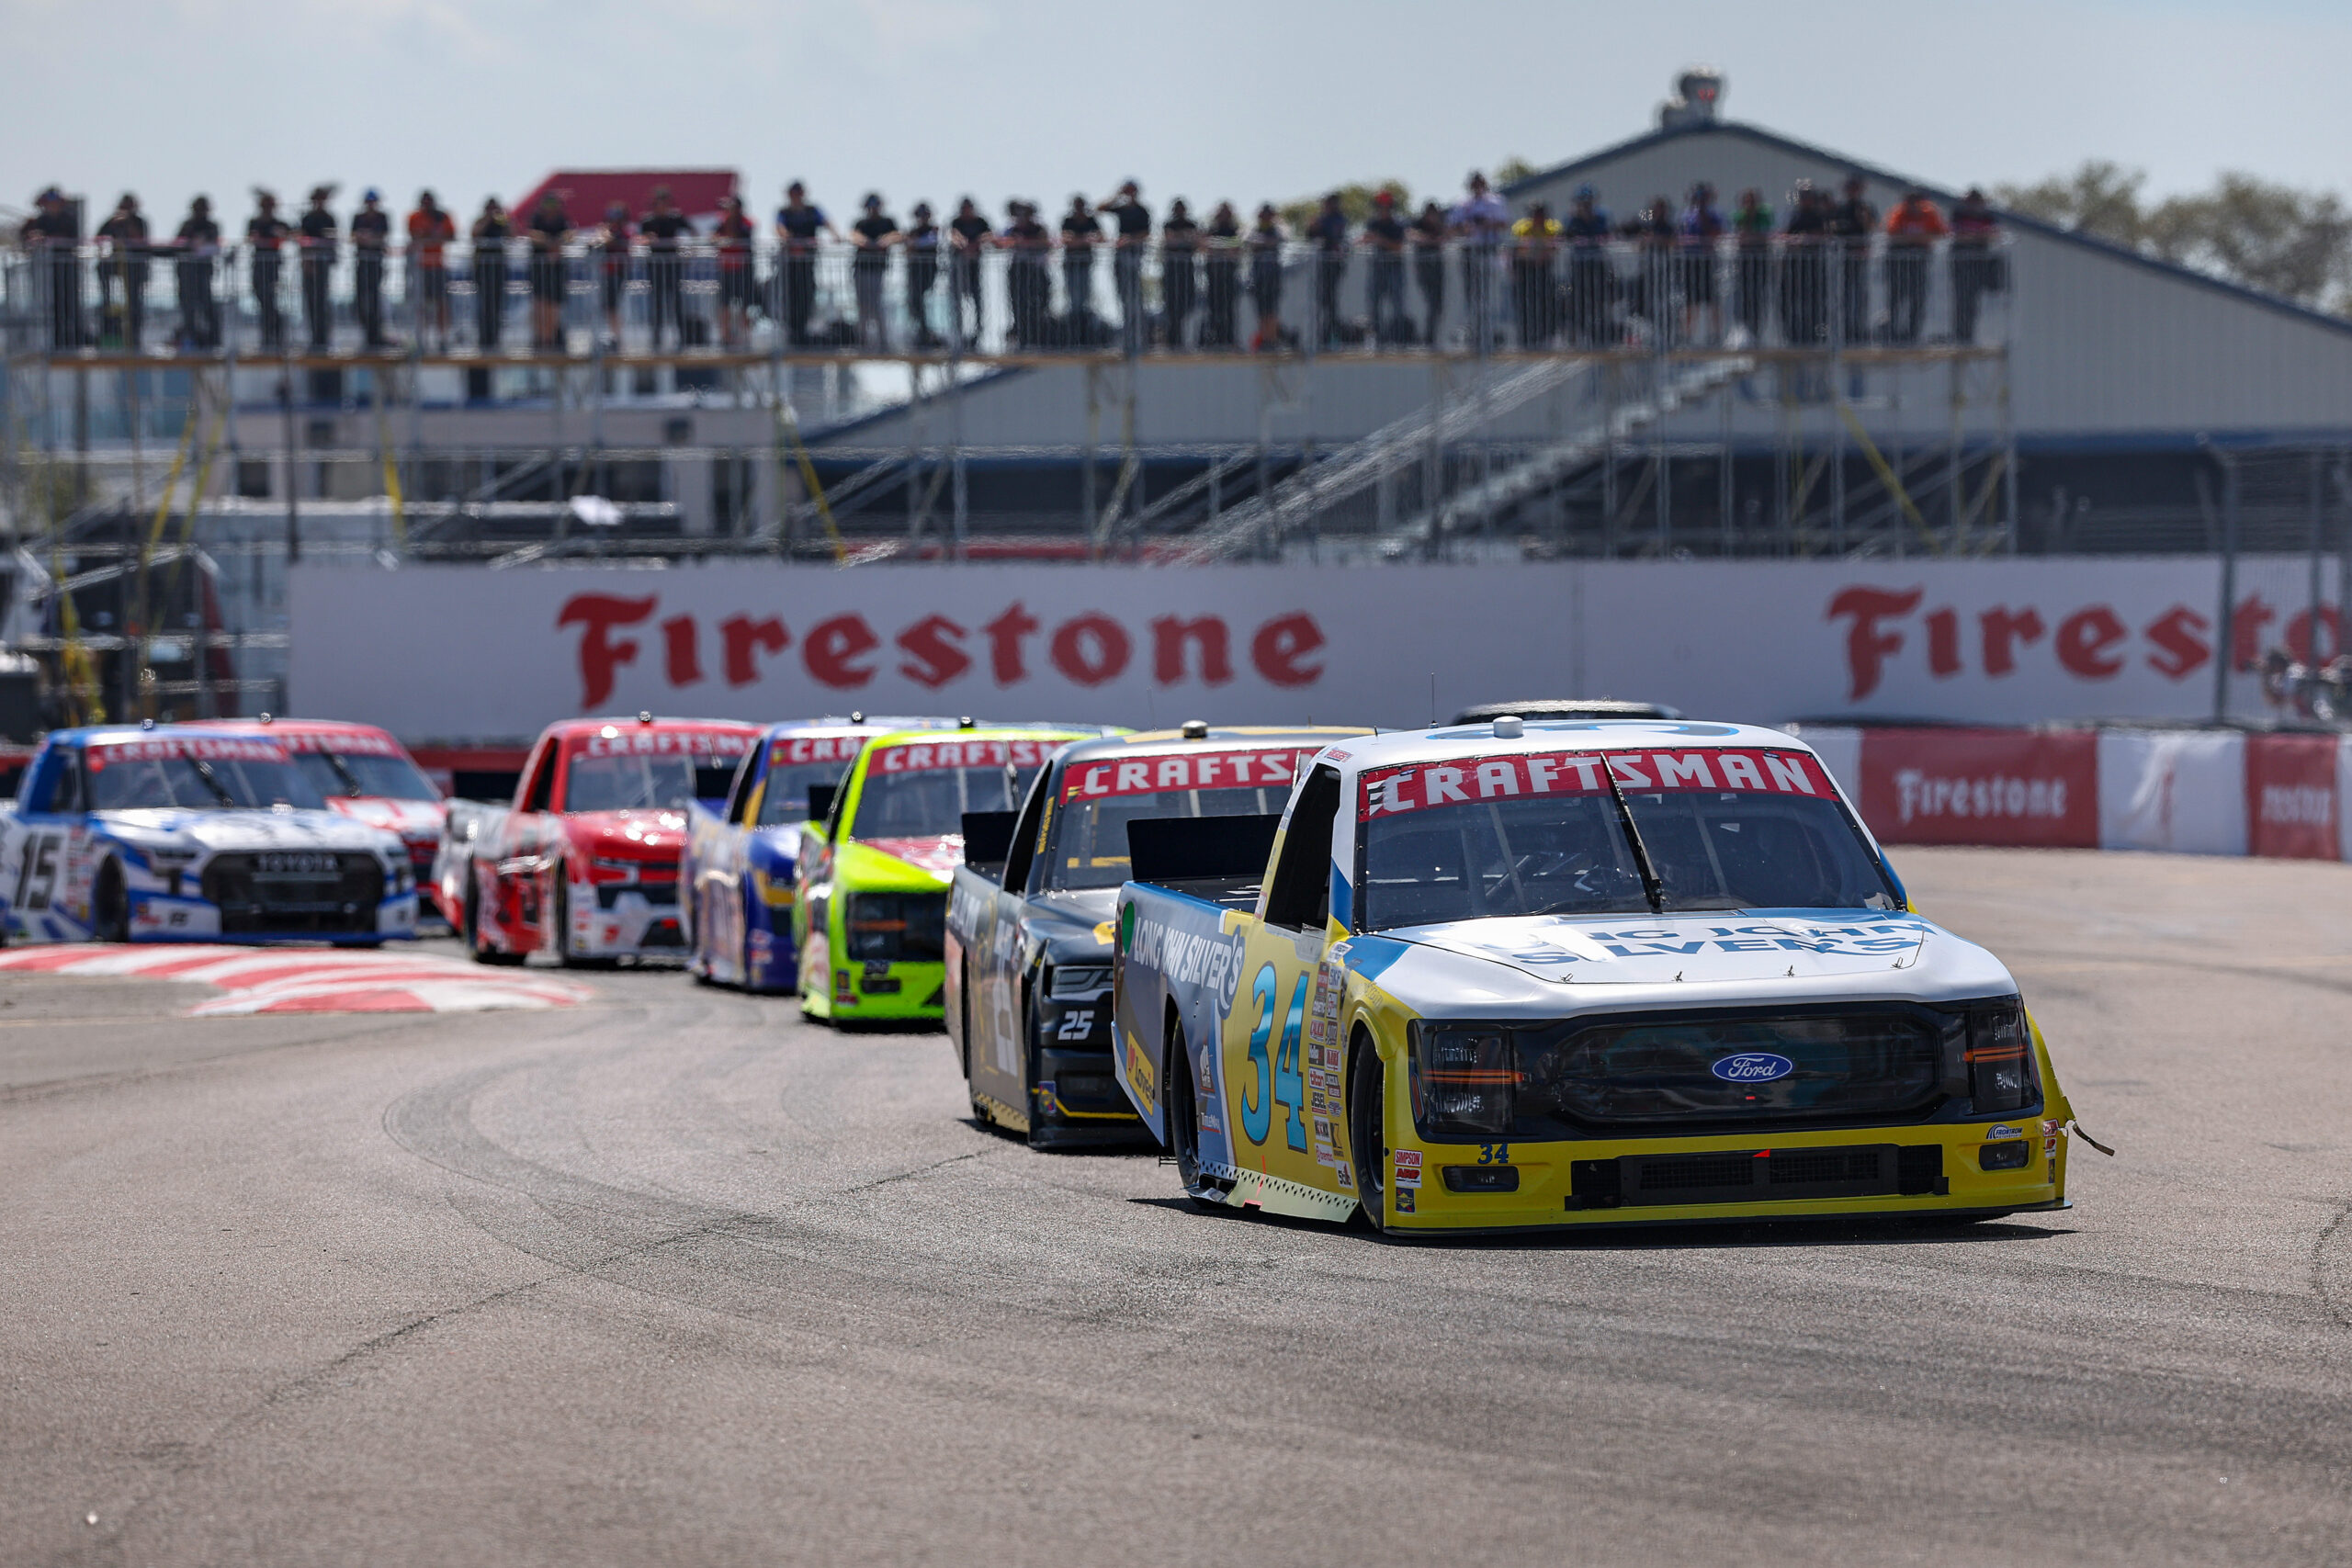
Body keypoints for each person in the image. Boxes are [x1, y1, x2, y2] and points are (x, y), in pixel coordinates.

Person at [1449, 171, 1510, 349]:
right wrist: (1465, 227)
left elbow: (1503, 223)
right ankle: (1473, 330)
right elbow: (1452, 226)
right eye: (1474, 184)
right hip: (1470, 252)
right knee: (1472, 294)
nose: (1477, 187)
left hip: (1488, 250)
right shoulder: (1463, 204)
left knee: (1488, 293)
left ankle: (1490, 330)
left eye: (1479, 183)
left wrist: (1485, 223)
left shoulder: (1494, 201)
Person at [1883, 186, 1947, 344]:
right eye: (1910, 201)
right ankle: (1893, 333)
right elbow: (1893, 233)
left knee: (1917, 299)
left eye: (1916, 201)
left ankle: (1913, 333)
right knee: (1896, 298)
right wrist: (1918, 238)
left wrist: (1913, 238)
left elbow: (1940, 233)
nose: (1913, 204)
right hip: (1899, 264)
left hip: (1919, 263)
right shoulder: (1899, 213)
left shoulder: (1930, 213)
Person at [22, 186, 83, 350]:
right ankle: (56, 341)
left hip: (67, 270)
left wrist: (49, 240)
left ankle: (71, 340)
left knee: (69, 305)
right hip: (47, 272)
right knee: (52, 307)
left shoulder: (69, 219)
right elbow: (25, 240)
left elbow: (71, 240)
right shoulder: (40, 221)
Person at [775, 182, 832, 347]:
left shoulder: (812, 210)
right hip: (791, 262)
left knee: (807, 294)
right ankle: (793, 331)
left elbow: (827, 222)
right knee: (792, 296)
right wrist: (789, 239)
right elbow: (779, 228)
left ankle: (804, 329)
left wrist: (835, 236)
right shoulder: (784, 212)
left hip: (808, 261)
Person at [639, 186, 695, 350]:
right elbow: (640, 239)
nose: (662, 206)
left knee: (676, 302)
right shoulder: (647, 221)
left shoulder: (676, 219)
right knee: (657, 303)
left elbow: (693, 232)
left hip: (673, 266)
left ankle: (682, 339)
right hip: (655, 267)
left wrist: (688, 249)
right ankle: (656, 339)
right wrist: (647, 239)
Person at [96, 194, 150, 352]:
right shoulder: (113, 220)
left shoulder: (140, 222)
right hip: (116, 263)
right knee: (107, 302)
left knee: (134, 305)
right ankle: (110, 333)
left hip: (135, 267)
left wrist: (129, 224)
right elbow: (99, 236)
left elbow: (142, 239)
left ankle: (134, 338)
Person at [1102, 180, 1151, 351]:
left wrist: (1131, 240)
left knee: (1135, 300)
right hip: (1120, 256)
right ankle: (1128, 336)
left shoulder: (1142, 210)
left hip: (1134, 255)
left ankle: (1139, 337)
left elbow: (1146, 233)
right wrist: (1117, 194)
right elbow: (1100, 208)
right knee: (1124, 298)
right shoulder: (1121, 208)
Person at [1562, 185, 1612, 346]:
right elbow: (1567, 236)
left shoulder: (1602, 216)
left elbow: (1606, 234)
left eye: (1588, 202)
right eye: (1582, 202)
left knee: (1600, 300)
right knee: (1577, 300)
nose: (1585, 205)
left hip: (1597, 265)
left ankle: (1600, 336)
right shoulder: (1571, 218)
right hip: (1579, 266)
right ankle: (1578, 334)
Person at [1950, 186, 2001, 344]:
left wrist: (1973, 237)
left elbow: (1993, 235)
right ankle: (1960, 334)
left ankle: (1969, 334)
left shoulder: (1987, 216)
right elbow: (1956, 235)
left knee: (1973, 302)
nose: (1973, 205)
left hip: (1979, 264)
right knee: (1961, 300)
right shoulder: (1958, 214)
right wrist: (1977, 237)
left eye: (1976, 202)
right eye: (1971, 202)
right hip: (1961, 263)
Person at [848, 193, 900, 350]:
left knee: (877, 305)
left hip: (878, 271)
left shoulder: (888, 222)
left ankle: (883, 340)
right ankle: (863, 339)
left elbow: (897, 235)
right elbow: (854, 236)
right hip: (861, 270)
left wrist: (884, 242)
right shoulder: (861, 223)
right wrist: (868, 244)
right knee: (862, 305)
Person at [1829, 175, 1878, 344]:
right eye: (1850, 188)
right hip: (1843, 259)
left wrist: (1864, 218)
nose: (1853, 191)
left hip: (1860, 258)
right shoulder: (1840, 209)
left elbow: (1872, 227)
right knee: (1844, 296)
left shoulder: (1866, 207)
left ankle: (1859, 329)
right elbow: (1834, 229)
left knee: (1860, 296)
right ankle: (1846, 330)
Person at [1779, 181, 1828, 345]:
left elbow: (1822, 234)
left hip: (1813, 266)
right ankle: (1791, 335)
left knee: (1813, 301)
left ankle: (1812, 334)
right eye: (1802, 196)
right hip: (1793, 265)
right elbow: (1785, 234)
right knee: (1789, 300)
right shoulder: (1792, 214)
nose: (1805, 199)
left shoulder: (1819, 215)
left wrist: (1805, 238)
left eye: (1808, 196)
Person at [406, 190, 456, 351]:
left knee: (442, 303)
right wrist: (432, 238)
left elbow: (451, 236)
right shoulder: (414, 217)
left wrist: (430, 238)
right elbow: (415, 237)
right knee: (422, 304)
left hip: (438, 266)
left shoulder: (443, 217)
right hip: (421, 267)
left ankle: (442, 338)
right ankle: (423, 339)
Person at [1510, 200, 1563, 348]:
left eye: (1540, 215)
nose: (1537, 218)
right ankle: (1527, 339)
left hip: (1543, 270)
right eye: (1534, 215)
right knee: (1526, 305)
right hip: (1526, 271)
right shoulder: (1522, 227)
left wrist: (1539, 251)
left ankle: (1546, 336)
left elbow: (1553, 248)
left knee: (1547, 304)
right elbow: (1520, 250)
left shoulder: (1552, 227)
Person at [173, 195, 221, 350]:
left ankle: (214, 340)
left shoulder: (211, 226)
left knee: (207, 306)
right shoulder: (186, 225)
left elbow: (211, 246)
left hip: (203, 274)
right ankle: (190, 339)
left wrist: (198, 245)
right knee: (188, 309)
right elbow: (179, 244)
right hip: (186, 274)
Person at [1679, 181, 1724, 344]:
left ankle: (1715, 335)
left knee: (1713, 301)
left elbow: (1716, 233)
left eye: (1704, 197)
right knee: (1691, 302)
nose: (1700, 200)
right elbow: (1683, 237)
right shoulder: (1686, 216)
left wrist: (1704, 218)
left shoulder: (1715, 215)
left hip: (1709, 262)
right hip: (1691, 263)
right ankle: (1687, 336)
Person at [1002, 200, 1053, 348]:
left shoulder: (1040, 228)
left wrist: (1026, 243)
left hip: (1037, 271)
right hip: (1019, 271)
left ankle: (1039, 337)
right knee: (1019, 305)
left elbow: (1046, 244)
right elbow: (1001, 242)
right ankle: (1023, 338)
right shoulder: (1012, 229)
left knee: (1040, 305)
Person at [246, 189, 291, 353]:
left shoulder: (279, 223)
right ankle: (268, 336)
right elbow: (251, 239)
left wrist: (279, 236)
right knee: (261, 299)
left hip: (273, 267)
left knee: (270, 300)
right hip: (258, 265)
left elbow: (291, 234)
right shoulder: (254, 222)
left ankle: (276, 335)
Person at [526, 190, 571, 352]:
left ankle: (550, 339)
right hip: (539, 270)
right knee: (539, 305)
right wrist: (551, 242)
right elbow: (532, 235)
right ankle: (541, 339)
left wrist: (554, 243)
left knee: (553, 306)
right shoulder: (536, 219)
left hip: (557, 271)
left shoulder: (562, 221)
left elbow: (569, 235)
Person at [1362, 189, 1407, 346]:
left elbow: (1399, 247)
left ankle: (1399, 339)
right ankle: (1378, 338)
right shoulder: (1373, 223)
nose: (1382, 210)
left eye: (1385, 206)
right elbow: (1366, 239)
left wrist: (1381, 241)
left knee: (1397, 304)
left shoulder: (1398, 224)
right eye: (1379, 206)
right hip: (1377, 268)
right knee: (1374, 304)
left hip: (1394, 268)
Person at [1305, 191, 1350, 346]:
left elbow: (1334, 236)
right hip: (1322, 266)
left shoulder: (1339, 219)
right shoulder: (1322, 219)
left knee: (1330, 302)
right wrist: (1312, 227)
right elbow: (1310, 236)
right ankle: (1322, 335)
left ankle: (1331, 335)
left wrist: (1320, 227)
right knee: (1323, 301)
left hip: (1334, 265)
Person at [1729, 187, 1773, 345]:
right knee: (1743, 298)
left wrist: (1751, 237)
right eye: (1746, 201)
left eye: (1752, 201)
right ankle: (1744, 332)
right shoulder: (1739, 216)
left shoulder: (1764, 215)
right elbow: (1739, 236)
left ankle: (1757, 332)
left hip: (1760, 262)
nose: (1749, 204)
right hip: (1743, 263)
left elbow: (1764, 235)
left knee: (1758, 298)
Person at [298, 186, 337, 351]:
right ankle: (314, 338)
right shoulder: (307, 218)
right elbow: (303, 241)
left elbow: (332, 239)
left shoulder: (329, 218)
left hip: (323, 265)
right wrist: (308, 260)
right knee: (310, 302)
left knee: (323, 303)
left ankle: (324, 338)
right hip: (309, 265)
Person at [713, 193, 755, 349]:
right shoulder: (722, 222)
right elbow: (714, 237)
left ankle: (746, 336)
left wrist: (728, 237)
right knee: (724, 304)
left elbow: (741, 237)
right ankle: (725, 336)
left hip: (743, 270)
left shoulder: (747, 223)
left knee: (745, 305)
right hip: (726, 269)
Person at [349, 189, 390, 348]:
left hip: (376, 263)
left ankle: (376, 334)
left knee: (374, 300)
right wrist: (365, 239)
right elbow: (353, 237)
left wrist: (369, 240)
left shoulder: (382, 217)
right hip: (361, 263)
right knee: (360, 299)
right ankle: (367, 333)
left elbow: (382, 237)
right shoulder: (358, 218)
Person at [1058, 194, 1102, 344]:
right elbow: (1066, 239)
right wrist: (1084, 240)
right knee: (1073, 300)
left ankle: (1085, 334)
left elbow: (1100, 237)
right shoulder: (1067, 220)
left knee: (1084, 299)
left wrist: (1080, 240)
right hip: (1070, 265)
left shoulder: (1091, 220)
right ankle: (1073, 335)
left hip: (1085, 264)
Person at [470, 196, 511, 352]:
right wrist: (488, 218)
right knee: (483, 305)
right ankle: (483, 338)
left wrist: (505, 219)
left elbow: (512, 235)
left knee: (497, 306)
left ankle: (495, 338)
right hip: (483, 269)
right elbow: (474, 235)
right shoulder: (480, 221)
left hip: (499, 269)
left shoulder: (502, 222)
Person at [948, 197, 990, 344]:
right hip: (958, 270)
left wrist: (976, 244)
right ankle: (959, 334)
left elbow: (989, 235)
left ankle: (978, 333)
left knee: (977, 302)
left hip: (974, 270)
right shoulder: (956, 222)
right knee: (957, 303)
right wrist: (963, 245)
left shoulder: (981, 222)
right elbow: (953, 236)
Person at [1201, 201, 1242, 350]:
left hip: (1229, 276)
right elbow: (1204, 245)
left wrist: (1219, 247)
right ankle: (1214, 339)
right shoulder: (1212, 229)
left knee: (1229, 309)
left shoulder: (1234, 229)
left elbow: (1236, 246)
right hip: (1213, 275)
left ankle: (1229, 339)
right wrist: (1225, 247)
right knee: (1214, 308)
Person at [1159, 197, 1199, 349]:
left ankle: (1183, 339)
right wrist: (1184, 237)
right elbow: (1169, 240)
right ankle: (1172, 340)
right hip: (1171, 271)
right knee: (1171, 306)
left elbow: (1196, 241)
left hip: (1187, 271)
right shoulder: (1168, 224)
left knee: (1186, 305)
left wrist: (1183, 238)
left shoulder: (1192, 224)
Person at [1248, 203, 1287, 352]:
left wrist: (1265, 241)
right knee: (1261, 311)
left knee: (1271, 310)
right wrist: (1264, 242)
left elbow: (1282, 238)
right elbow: (1249, 241)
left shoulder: (1278, 229)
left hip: (1273, 276)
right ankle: (1264, 338)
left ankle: (1272, 339)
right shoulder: (1253, 229)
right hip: (1258, 277)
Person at [1409, 198, 1447, 347]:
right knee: (1427, 304)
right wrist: (1431, 240)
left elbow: (1447, 236)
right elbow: (1412, 235)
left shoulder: (1439, 225)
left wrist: (1433, 240)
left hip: (1437, 270)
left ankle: (1433, 336)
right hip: (1424, 270)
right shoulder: (1418, 224)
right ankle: (1426, 337)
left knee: (1438, 305)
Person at [903, 202, 943, 347]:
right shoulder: (913, 231)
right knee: (914, 302)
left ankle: (928, 333)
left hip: (928, 271)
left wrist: (915, 243)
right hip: (914, 271)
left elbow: (929, 242)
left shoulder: (934, 230)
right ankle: (923, 332)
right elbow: (908, 247)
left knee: (922, 300)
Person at [594, 200, 633, 348]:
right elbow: (598, 241)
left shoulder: (624, 232)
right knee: (607, 307)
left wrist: (604, 235)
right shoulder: (606, 230)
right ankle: (612, 336)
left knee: (613, 306)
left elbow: (609, 241)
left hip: (617, 273)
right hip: (606, 274)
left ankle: (616, 337)